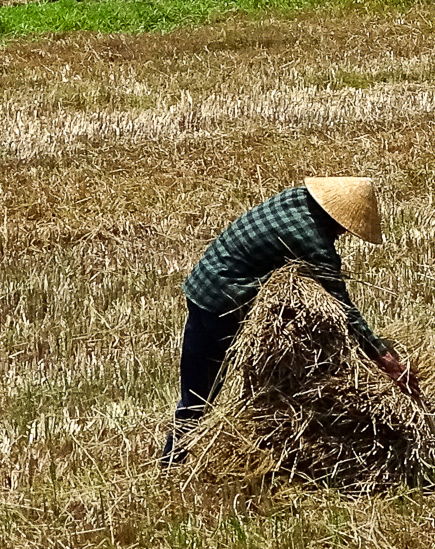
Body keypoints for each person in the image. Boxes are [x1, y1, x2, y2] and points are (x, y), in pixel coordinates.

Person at [163, 177, 420, 464]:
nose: (343, 234)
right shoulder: (312, 241)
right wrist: (381, 355)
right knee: (256, 388)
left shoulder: (295, 197)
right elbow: (342, 308)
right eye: (345, 227)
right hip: (224, 304)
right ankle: (258, 452)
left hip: (201, 284)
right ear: (335, 217)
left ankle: (171, 460)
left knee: (194, 392)